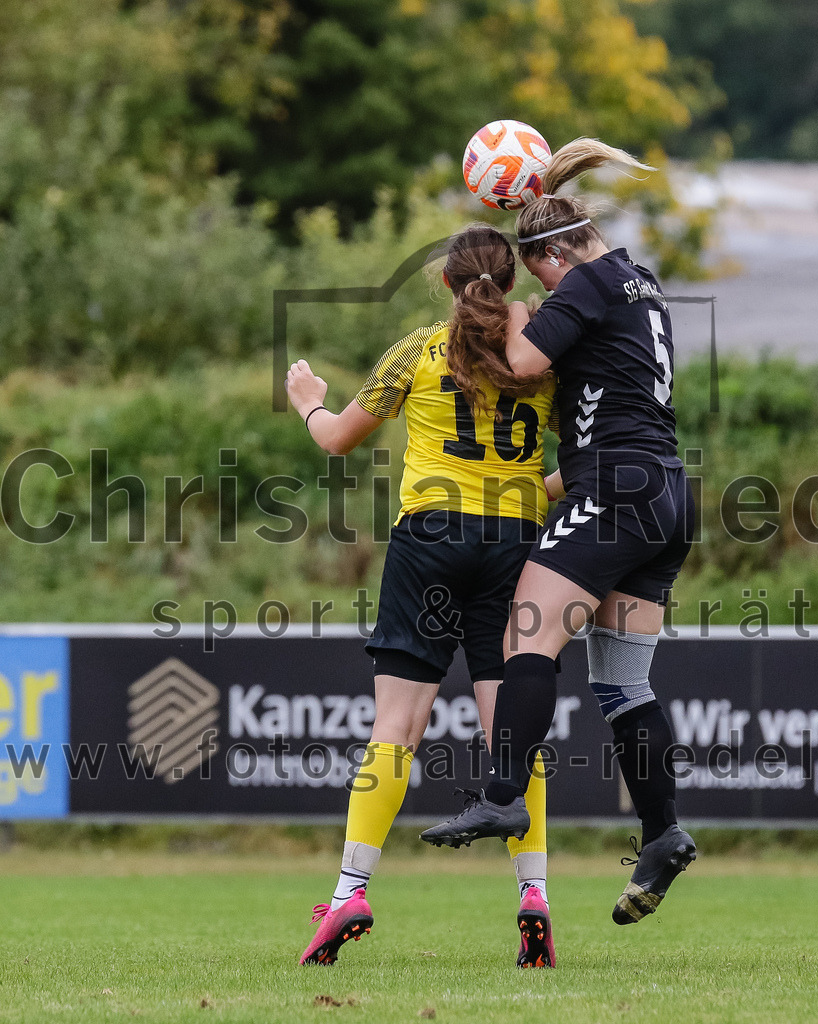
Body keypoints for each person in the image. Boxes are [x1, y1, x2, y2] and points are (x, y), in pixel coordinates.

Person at [421, 141, 698, 927]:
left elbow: (522, 359)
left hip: (617, 491)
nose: (538, 287)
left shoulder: (583, 281)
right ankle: (662, 831)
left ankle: (504, 797)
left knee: (524, 636)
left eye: (536, 271)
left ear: (556, 251)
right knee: (622, 686)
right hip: (664, 493)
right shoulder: (639, 282)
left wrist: (515, 314)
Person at [286, 225, 558, 968]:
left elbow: (339, 437)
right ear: (509, 283)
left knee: (397, 725)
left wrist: (309, 400)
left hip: (429, 540)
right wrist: (532, 489)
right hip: (512, 543)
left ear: (445, 283)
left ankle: (349, 893)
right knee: (512, 734)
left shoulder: (420, 350)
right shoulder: (540, 358)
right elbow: (588, 457)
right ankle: (533, 896)